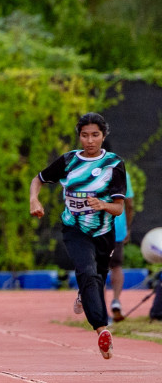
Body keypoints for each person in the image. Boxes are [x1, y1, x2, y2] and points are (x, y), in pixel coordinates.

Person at [31, 111, 129, 360]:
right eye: (85, 135)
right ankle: (101, 330)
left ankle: (85, 296)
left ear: (103, 135)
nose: (90, 140)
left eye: (95, 135)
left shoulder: (114, 164)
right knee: (86, 271)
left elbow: (118, 208)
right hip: (75, 229)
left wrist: (103, 205)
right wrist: (35, 200)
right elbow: (38, 179)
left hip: (103, 232)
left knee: (96, 277)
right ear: (79, 137)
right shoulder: (68, 161)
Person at [106, 176, 135, 321]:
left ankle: (100, 307)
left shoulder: (86, 168)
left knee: (98, 269)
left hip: (94, 228)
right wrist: (127, 227)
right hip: (117, 228)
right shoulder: (121, 172)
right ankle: (116, 300)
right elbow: (129, 203)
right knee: (116, 266)